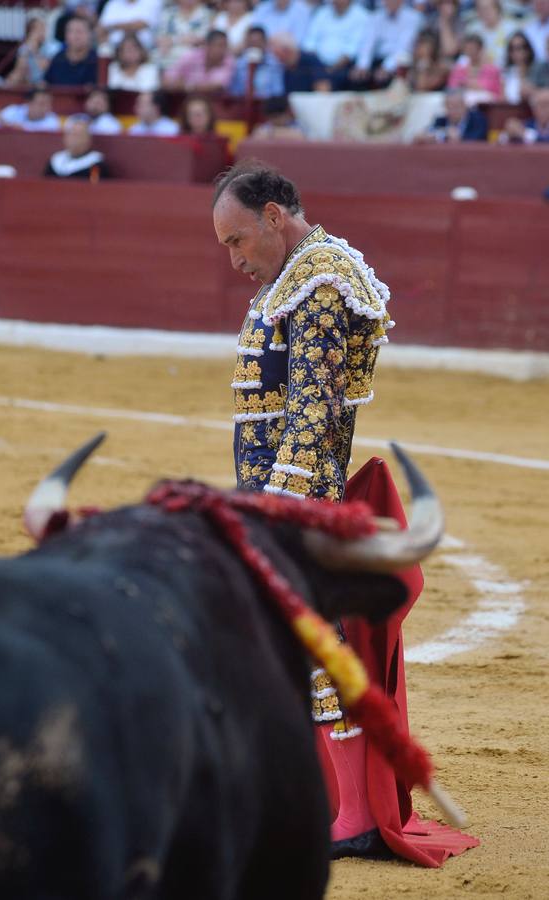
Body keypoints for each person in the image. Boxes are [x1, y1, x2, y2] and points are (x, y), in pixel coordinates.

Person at [212, 160, 479, 866]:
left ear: (273, 217)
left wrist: (282, 508)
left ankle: (353, 815)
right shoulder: (294, 277)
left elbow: (312, 411)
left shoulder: (321, 280)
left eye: (237, 240)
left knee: (319, 653)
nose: (234, 259)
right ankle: (331, 805)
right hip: (287, 496)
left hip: (303, 503)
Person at [301, 0, 371, 90]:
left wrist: (331, 69)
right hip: (316, 65)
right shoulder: (322, 12)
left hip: (344, 67)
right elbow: (310, 42)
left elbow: (351, 50)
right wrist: (317, 65)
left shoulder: (361, 16)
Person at [352, 0, 422, 89]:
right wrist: (362, 66)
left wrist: (386, 68)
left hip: (399, 62)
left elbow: (404, 48)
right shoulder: (375, 17)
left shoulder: (413, 18)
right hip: (377, 61)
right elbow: (367, 44)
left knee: (386, 78)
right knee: (357, 78)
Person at [162, 28, 235, 91]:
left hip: (212, 101)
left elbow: (216, 86)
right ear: (207, 45)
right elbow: (168, 79)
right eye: (219, 45)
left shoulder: (228, 60)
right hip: (185, 98)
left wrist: (186, 85)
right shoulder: (192, 55)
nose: (222, 49)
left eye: (225, 46)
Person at [44, 115, 111, 179]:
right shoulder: (56, 161)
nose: (74, 139)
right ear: (65, 138)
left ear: (88, 139)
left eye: (79, 135)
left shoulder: (96, 164)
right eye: (72, 134)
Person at [229, 25, 285, 98]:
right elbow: (234, 93)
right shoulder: (238, 65)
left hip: (267, 106)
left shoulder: (275, 65)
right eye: (251, 43)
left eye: (257, 42)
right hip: (243, 105)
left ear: (265, 43)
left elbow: (278, 92)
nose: (254, 46)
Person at [414, 87, 488, 140]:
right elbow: (424, 134)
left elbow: (478, 138)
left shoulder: (478, 120)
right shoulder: (441, 120)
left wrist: (460, 138)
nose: (453, 111)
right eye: (450, 107)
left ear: (465, 106)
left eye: (457, 107)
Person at [44, 16, 98, 87]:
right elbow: (45, 84)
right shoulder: (57, 59)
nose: (76, 36)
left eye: (79, 32)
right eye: (71, 31)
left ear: (90, 35)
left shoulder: (97, 61)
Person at [447, 32, 503, 98]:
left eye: (473, 48)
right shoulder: (459, 69)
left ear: (481, 49)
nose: (470, 52)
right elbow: (452, 87)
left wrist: (468, 84)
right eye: (467, 49)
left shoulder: (492, 70)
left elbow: (494, 91)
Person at [97, 0, 162, 51]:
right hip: (114, 49)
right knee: (103, 49)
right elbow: (100, 29)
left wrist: (113, 26)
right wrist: (130, 26)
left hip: (145, 50)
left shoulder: (152, 2)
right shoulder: (113, 4)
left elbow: (142, 24)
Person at [5, 17, 53, 86]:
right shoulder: (24, 48)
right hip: (28, 81)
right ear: (30, 32)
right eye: (39, 29)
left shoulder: (49, 46)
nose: (43, 32)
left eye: (43, 29)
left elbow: (46, 69)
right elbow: (20, 69)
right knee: (14, 77)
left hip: (44, 82)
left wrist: (34, 50)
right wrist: (28, 48)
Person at [502, 30, 537, 102]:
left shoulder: (538, 70)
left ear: (528, 50)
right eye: (512, 49)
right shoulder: (506, 73)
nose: (515, 53)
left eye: (519, 48)